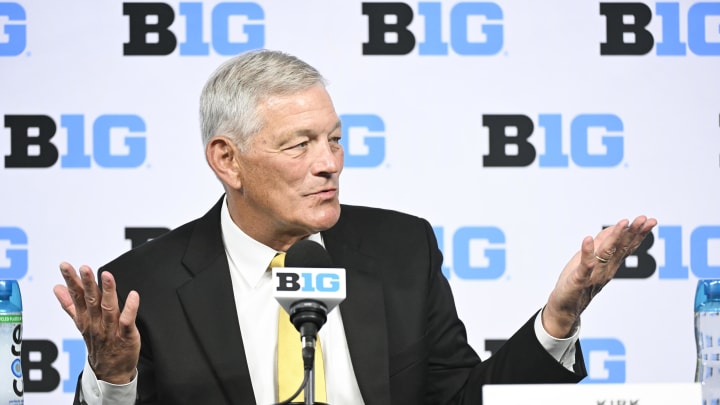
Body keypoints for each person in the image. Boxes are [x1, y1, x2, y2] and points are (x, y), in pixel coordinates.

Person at [53, 49, 657, 405]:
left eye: (335, 140)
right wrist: (112, 377)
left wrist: (558, 320)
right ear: (226, 160)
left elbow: (462, 401)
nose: (329, 163)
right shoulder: (138, 288)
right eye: (300, 145)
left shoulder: (400, 250)